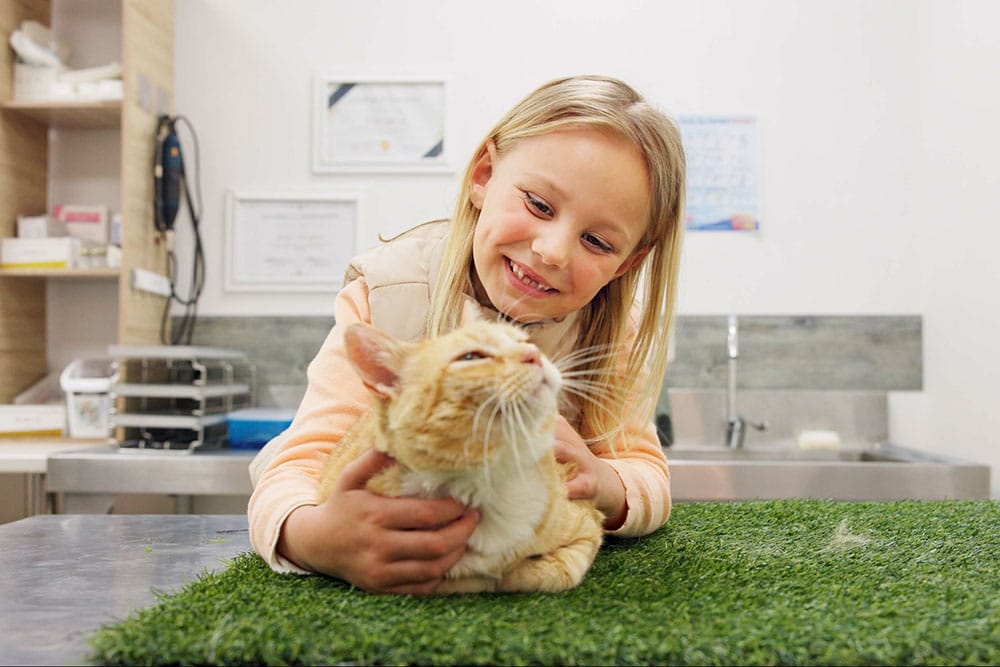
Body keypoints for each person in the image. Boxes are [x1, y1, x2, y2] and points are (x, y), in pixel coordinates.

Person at [247, 74, 686, 595]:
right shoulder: (387, 297)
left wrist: (605, 481)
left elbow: (649, 475)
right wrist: (315, 537)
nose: (553, 251)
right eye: (540, 206)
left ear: (626, 263)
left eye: (595, 240)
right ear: (483, 175)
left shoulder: (615, 330)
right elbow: (296, 463)